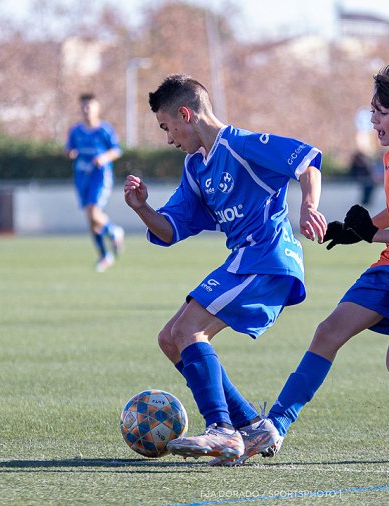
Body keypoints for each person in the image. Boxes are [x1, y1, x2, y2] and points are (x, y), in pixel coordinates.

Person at [230, 60, 389, 466]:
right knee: (327, 332)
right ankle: (275, 427)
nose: (374, 120)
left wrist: (369, 234)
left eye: (383, 112)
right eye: (373, 111)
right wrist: (356, 229)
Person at [123, 74, 327, 464]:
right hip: (243, 262)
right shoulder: (196, 167)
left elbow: (306, 162)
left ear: (186, 114)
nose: (168, 138)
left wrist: (309, 206)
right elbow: (170, 230)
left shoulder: (242, 146)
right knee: (170, 339)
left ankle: (221, 430)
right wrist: (142, 208)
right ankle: (251, 426)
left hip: (268, 258)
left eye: (168, 127)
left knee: (188, 329)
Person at [65, 93, 125, 272]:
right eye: (83, 106)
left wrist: (103, 157)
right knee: (91, 220)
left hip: (100, 176)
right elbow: (68, 148)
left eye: (89, 106)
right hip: (81, 176)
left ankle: (114, 231)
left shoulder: (104, 130)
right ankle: (104, 255)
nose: (86, 110)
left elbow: (116, 150)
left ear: (97, 108)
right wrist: (70, 153)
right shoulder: (75, 130)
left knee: (93, 211)